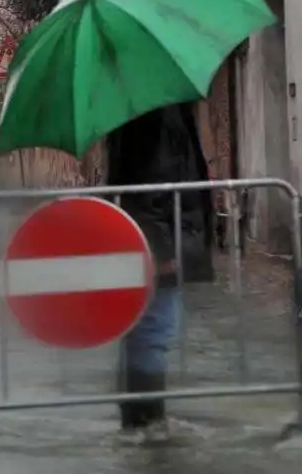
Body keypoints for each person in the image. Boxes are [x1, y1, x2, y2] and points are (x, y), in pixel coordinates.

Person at [105, 102, 214, 438]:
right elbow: (151, 183)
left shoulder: (144, 109)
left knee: (145, 330)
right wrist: (162, 250)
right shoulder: (155, 112)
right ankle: (146, 423)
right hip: (156, 242)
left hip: (149, 237)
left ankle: (139, 419)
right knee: (155, 330)